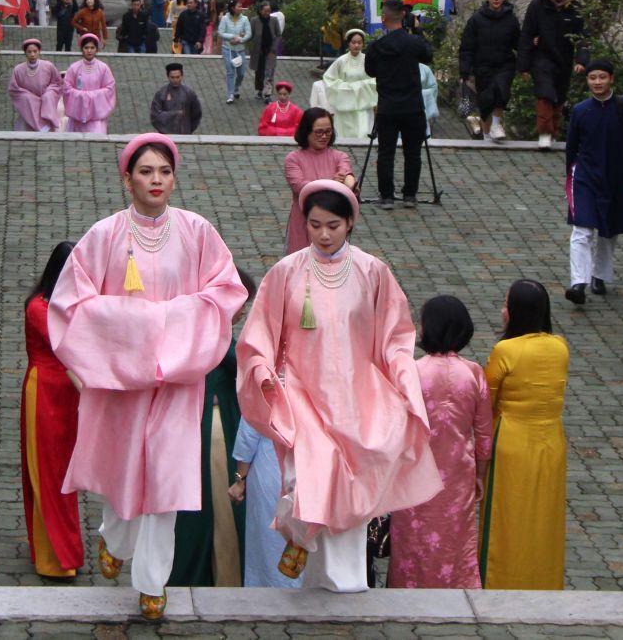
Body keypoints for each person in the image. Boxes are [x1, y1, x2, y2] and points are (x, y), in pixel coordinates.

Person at [48, 135, 247, 620]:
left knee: (167, 477)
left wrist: (172, 327)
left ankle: (152, 580)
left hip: (179, 378)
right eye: (145, 172)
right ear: (127, 178)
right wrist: (137, 330)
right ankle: (114, 538)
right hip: (123, 380)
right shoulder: (104, 236)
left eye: (164, 171)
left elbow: (225, 291)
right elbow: (69, 305)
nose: (156, 180)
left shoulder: (198, 230)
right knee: (122, 471)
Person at [236, 180, 442, 592]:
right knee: (307, 476)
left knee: (352, 493)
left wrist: (405, 382)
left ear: (350, 222)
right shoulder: (286, 273)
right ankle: (302, 534)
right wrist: (260, 369)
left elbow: (395, 339)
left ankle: (342, 581)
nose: (324, 234)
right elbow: (258, 336)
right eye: (314, 225)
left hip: (356, 399)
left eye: (333, 225)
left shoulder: (372, 272)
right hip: (302, 396)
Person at [387, 295, 492, 589]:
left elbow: (396, 427)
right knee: (455, 539)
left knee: (413, 540)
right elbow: (484, 434)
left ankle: (409, 587)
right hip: (458, 474)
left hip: (415, 472)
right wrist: (480, 475)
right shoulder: (473, 373)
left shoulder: (412, 372)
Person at [480, 279, 568, 589]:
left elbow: (485, 400)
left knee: (506, 516)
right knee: (544, 517)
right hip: (551, 443)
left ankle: (499, 580)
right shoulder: (560, 347)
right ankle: (542, 578)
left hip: (511, 442)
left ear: (515, 313)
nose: (503, 310)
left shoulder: (506, 350)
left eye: (506, 305)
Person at [170, 268, 255, 588]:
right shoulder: (213, 335)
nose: (243, 312)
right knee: (216, 509)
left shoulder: (194, 329)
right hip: (213, 429)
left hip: (197, 425)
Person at [564, 60, 623, 306]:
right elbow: (572, 146)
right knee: (581, 229)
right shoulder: (581, 110)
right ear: (587, 80)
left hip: (616, 176)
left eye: (602, 77)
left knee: (609, 229)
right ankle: (578, 282)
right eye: (593, 78)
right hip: (585, 176)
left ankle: (599, 275)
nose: (597, 82)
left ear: (611, 79)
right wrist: (570, 178)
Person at [22, 242, 84, 578]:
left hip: (68, 396)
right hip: (44, 394)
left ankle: (64, 550)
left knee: (65, 473)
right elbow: (67, 343)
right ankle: (54, 557)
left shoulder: (66, 305)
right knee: (48, 470)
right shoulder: (39, 308)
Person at [363, 0, 434, 209]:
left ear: (384, 18)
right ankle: (410, 195)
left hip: (387, 107)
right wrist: (418, 31)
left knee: (386, 152)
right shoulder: (413, 43)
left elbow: (370, 71)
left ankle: (387, 196)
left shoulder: (376, 46)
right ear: (403, 16)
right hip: (413, 106)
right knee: (413, 152)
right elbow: (428, 55)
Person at [517, 0, 588, 150]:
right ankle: (544, 132)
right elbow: (527, 34)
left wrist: (582, 60)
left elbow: (582, 36)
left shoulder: (575, 6)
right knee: (545, 93)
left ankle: (554, 130)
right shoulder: (537, 5)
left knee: (559, 96)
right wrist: (524, 66)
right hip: (542, 56)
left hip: (564, 57)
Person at [229, 416, 300, 588]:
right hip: (312, 463)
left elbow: (252, 422)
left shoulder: (267, 387)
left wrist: (240, 479)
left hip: (271, 462)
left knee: (268, 543)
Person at [281, 108, 357, 255]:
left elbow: (346, 174)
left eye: (328, 132)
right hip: (304, 223)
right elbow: (300, 187)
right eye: (319, 132)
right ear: (306, 131)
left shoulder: (339, 156)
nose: (324, 136)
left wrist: (350, 185)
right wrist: (331, 183)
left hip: (333, 224)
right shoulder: (293, 159)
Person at [460, 0, 522, 142]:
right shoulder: (476, 20)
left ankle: (496, 124)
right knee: (486, 101)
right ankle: (486, 135)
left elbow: (519, 43)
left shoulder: (511, 19)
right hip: (483, 66)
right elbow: (467, 47)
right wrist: (465, 71)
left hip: (505, 64)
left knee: (501, 91)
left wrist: (526, 62)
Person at [318, 30, 378, 144]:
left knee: (364, 131)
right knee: (343, 134)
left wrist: (360, 86)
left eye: (359, 43)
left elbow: (377, 79)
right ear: (348, 43)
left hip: (363, 103)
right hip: (344, 104)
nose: (356, 45)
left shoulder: (368, 60)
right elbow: (329, 78)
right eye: (353, 42)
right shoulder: (341, 61)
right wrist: (345, 87)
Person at [61, 34, 117, 134]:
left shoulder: (103, 68)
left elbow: (110, 89)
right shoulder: (74, 68)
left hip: (96, 117)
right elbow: (66, 89)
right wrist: (82, 97)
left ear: (96, 49)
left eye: (92, 47)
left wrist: (89, 96)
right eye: (86, 47)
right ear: (82, 49)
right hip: (77, 117)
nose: (89, 51)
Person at [9, 39, 64, 133]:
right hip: (29, 105)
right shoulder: (18, 69)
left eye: (35, 51)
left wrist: (49, 93)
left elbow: (57, 82)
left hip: (45, 102)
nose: (32, 54)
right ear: (25, 53)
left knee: (48, 97)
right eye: (29, 52)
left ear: (39, 52)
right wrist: (28, 96)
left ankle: (48, 122)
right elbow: (14, 89)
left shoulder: (48, 66)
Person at [150, 62, 203, 135]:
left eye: (178, 77)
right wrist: (175, 115)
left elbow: (196, 113)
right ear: (168, 77)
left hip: (185, 133)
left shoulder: (189, 93)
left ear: (182, 76)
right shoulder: (161, 93)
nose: (175, 80)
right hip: (166, 136)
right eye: (172, 77)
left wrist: (188, 128)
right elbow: (155, 116)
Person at [218, 0, 251, 104]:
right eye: (239, 6)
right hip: (228, 49)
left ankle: (236, 87)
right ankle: (230, 94)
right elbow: (221, 32)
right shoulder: (225, 18)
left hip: (240, 50)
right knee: (230, 72)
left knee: (241, 73)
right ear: (233, 8)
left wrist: (240, 39)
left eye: (241, 6)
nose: (241, 8)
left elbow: (248, 34)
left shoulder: (245, 19)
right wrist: (233, 36)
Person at [250, 2, 283, 99]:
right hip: (258, 51)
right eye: (265, 11)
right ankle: (260, 90)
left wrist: (274, 48)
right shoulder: (254, 21)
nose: (267, 13)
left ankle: (268, 93)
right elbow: (250, 35)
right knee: (259, 72)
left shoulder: (274, 20)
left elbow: (278, 34)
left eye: (269, 11)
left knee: (269, 72)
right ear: (260, 11)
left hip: (270, 50)